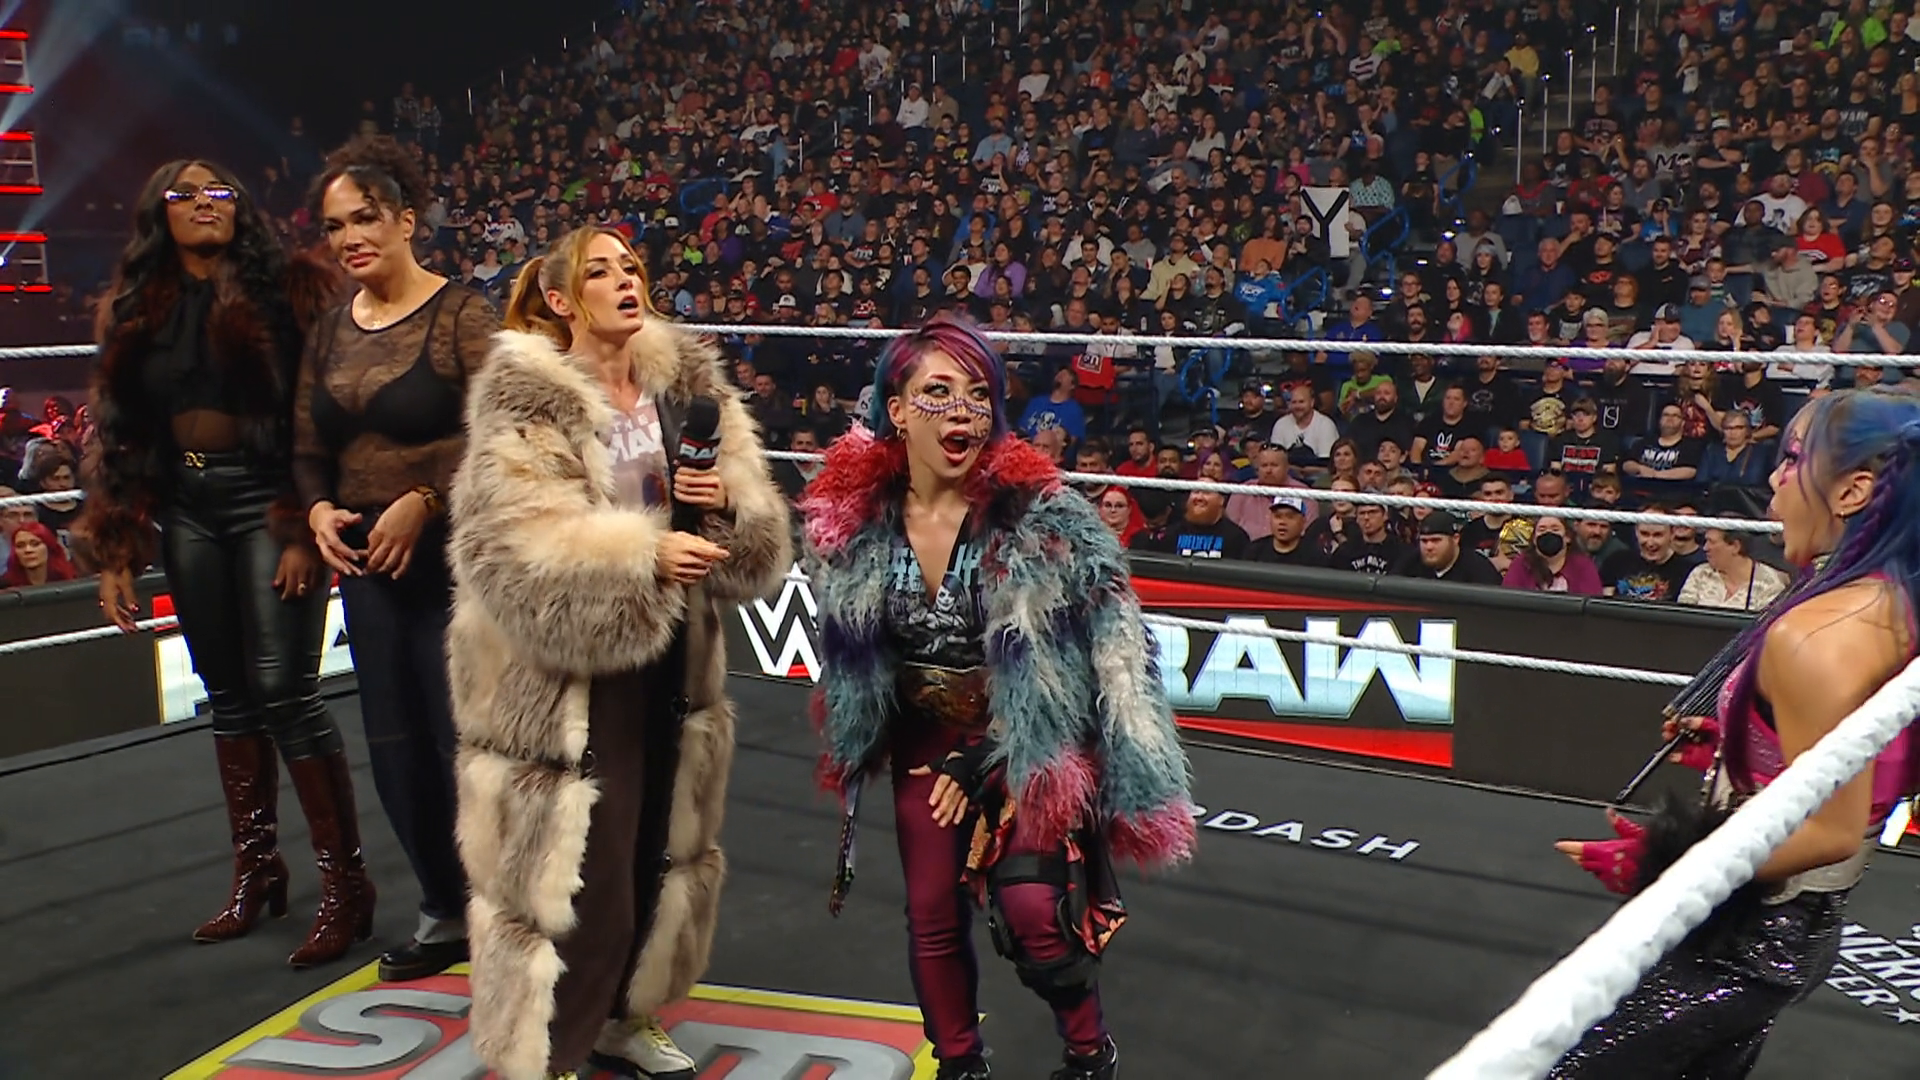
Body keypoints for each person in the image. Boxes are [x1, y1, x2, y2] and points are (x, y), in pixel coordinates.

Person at [799, 314, 1196, 1080]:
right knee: (931, 912)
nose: (963, 411)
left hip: (1029, 735)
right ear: (896, 410)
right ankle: (959, 1065)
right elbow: (858, 655)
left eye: (979, 394)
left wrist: (990, 756)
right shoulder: (855, 524)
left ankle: (1089, 1053)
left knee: (1033, 911)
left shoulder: (1041, 517)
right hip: (925, 736)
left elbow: (1101, 661)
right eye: (938, 392)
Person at [446, 226, 791, 1080]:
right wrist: (643, 556)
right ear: (560, 299)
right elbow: (513, 548)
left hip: (676, 650)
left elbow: (759, 538)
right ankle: (548, 1048)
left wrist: (721, 504)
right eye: (599, 272)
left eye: (631, 267)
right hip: (561, 672)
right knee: (575, 863)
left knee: (654, 843)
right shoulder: (527, 399)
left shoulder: (690, 389)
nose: (624, 281)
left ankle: (624, 1016)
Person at [1551, 387, 1920, 1077]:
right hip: (1793, 926)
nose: (1775, 479)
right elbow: (1862, 756)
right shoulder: (1893, 602)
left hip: (1753, 933)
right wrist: (1745, 735)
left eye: (1793, 459)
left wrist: (1672, 865)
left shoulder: (1820, 634)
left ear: (1853, 491)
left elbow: (1834, 829)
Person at [79, 159, 367, 966]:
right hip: (187, 505)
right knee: (229, 696)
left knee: (285, 690)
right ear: (159, 212)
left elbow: (321, 413)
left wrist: (305, 523)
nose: (205, 203)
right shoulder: (136, 306)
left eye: (220, 192)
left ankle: (346, 884)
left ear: (241, 207)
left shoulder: (291, 293)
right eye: (186, 194)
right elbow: (119, 431)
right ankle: (258, 870)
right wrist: (116, 549)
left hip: (269, 497)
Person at [294, 136, 497, 982]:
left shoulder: (463, 315)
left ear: (407, 220)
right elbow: (307, 444)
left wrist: (428, 499)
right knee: (394, 746)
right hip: (367, 567)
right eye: (335, 225)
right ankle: (443, 910)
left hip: (454, 557)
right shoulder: (330, 330)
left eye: (366, 218)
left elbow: (508, 433)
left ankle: (503, 910)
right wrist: (316, 508)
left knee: (466, 743)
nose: (350, 238)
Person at [1, 521, 75, 588]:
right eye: (20, 546)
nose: (28, 550)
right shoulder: (4, 585)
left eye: (35, 544)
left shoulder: (70, 579)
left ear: (49, 547)